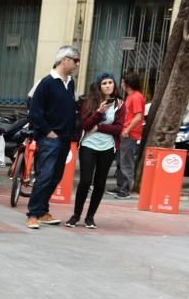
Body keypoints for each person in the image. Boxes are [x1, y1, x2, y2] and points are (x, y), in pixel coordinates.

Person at [25, 45, 80, 229]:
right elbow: (34, 113)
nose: (77, 64)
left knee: (55, 176)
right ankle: (33, 213)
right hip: (50, 138)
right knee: (45, 175)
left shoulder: (70, 83)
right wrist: (49, 132)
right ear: (64, 60)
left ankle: (42, 211)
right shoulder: (46, 83)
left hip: (65, 139)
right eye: (75, 60)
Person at [68, 73, 124, 229]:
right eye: (104, 83)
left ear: (114, 85)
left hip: (108, 147)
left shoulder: (119, 104)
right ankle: (76, 215)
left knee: (100, 183)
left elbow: (118, 128)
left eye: (110, 82)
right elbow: (85, 125)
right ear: (99, 86)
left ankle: (90, 217)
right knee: (85, 180)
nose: (107, 85)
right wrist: (99, 112)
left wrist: (99, 127)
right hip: (88, 145)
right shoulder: (89, 102)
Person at [116, 72, 145, 199]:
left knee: (126, 161)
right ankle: (120, 186)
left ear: (128, 83)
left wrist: (127, 130)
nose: (121, 84)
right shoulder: (130, 96)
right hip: (125, 133)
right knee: (120, 161)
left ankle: (126, 189)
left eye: (123, 82)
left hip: (129, 134)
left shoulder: (136, 97)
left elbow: (138, 116)